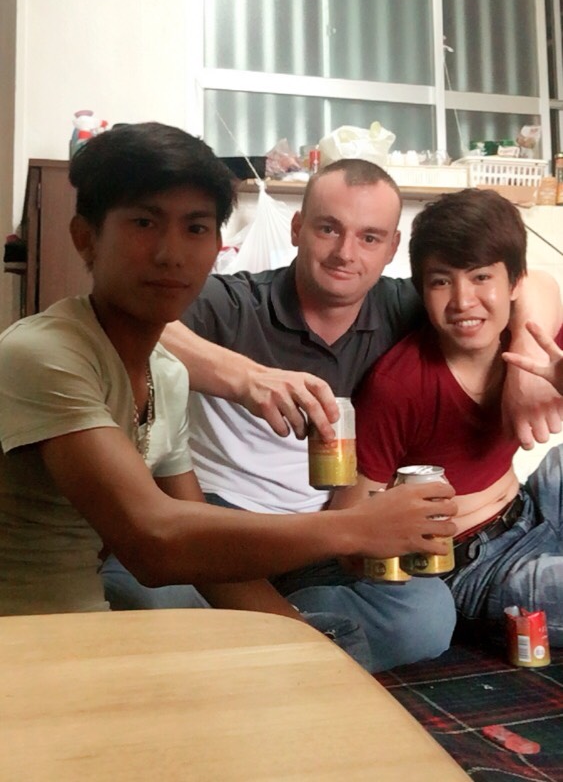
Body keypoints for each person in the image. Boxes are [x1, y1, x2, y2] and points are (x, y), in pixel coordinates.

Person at [0, 124, 457, 650]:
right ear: (86, 237)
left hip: (242, 565)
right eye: (145, 222)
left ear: (217, 245)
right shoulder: (44, 354)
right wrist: (357, 528)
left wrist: (301, 642)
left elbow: (202, 559)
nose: (171, 254)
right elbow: (155, 544)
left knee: (420, 616)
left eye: (195, 228)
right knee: (155, 611)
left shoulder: (165, 374)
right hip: (34, 644)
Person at [109, 159, 562, 672]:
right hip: (220, 524)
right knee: (134, 602)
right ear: (297, 229)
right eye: (328, 229)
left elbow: (530, 282)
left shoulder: (407, 305)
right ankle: (283, 640)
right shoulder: (236, 303)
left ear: (391, 248)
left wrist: (525, 362)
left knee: (427, 615)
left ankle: (260, 641)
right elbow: (124, 316)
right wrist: (246, 378)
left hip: (325, 540)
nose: (347, 253)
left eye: (369, 238)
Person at [340, 188, 563, 645]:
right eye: (442, 281)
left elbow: (544, 286)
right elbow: (348, 524)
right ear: (422, 291)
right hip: (474, 565)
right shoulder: (398, 385)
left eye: (481, 277)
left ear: (514, 284)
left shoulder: (532, 340)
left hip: (531, 505)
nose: (463, 300)